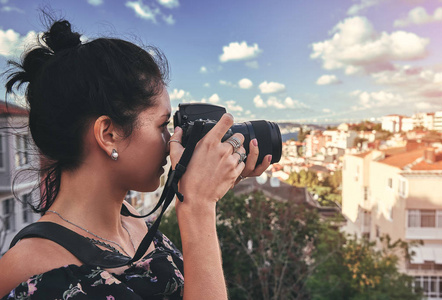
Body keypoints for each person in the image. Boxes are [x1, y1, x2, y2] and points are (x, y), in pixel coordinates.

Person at [0, 19, 271, 299]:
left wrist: (210, 182)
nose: (170, 142)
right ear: (109, 134)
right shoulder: (35, 272)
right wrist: (199, 206)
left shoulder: (134, 226)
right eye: (162, 125)